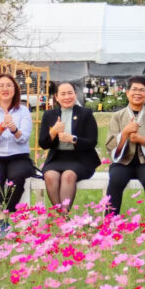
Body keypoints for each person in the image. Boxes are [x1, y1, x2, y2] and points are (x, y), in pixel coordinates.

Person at [0, 73, 36, 225]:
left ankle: (7, 214)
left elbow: (24, 138)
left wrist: (14, 129)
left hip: (19, 157)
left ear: (15, 89)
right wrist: (1, 128)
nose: (5, 89)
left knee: (17, 177)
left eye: (9, 85)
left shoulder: (23, 111)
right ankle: (1, 218)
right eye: (1, 86)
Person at [104, 76, 145, 215]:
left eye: (141, 90)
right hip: (123, 162)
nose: (137, 93)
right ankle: (110, 221)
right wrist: (125, 133)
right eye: (134, 89)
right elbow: (110, 145)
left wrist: (142, 140)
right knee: (115, 179)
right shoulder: (117, 116)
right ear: (127, 93)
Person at [38, 81, 100, 213]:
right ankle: (63, 217)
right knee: (50, 176)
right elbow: (43, 144)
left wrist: (73, 139)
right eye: (63, 94)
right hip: (57, 158)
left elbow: (92, 142)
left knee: (68, 175)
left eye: (70, 93)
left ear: (75, 94)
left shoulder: (86, 113)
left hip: (81, 158)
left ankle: (63, 216)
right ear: (56, 97)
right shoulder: (49, 115)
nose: (67, 97)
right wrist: (53, 132)